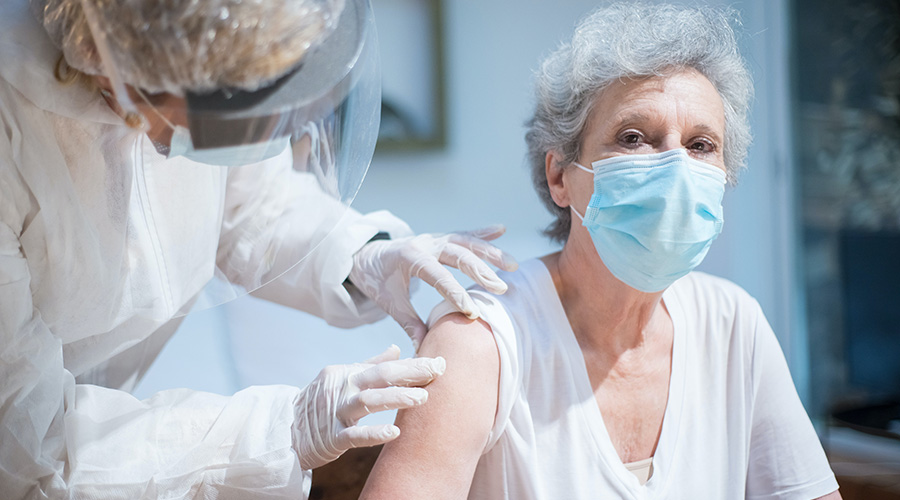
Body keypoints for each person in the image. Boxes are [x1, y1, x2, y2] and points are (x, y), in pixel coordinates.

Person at [0, 0, 518, 498]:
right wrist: (280, 432)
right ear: (133, 73)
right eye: (231, 117)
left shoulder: (195, 79)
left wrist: (361, 256)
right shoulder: (14, 133)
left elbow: (252, 206)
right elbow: (27, 453)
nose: (257, 131)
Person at [361, 4, 842, 500]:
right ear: (559, 177)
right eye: (633, 138)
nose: (675, 168)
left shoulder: (732, 324)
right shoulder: (481, 344)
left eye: (701, 146)